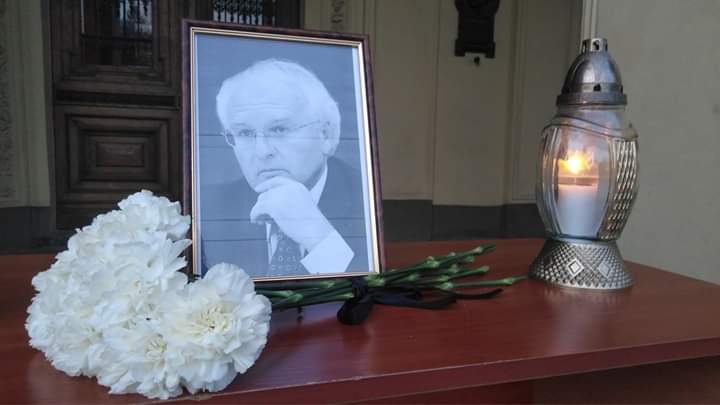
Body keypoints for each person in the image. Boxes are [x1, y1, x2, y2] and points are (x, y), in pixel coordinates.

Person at [200, 59, 368, 278]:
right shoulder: (209, 208)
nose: (262, 151)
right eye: (245, 133)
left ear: (326, 135)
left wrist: (319, 237)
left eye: (279, 129)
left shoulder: (367, 200)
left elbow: (376, 291)